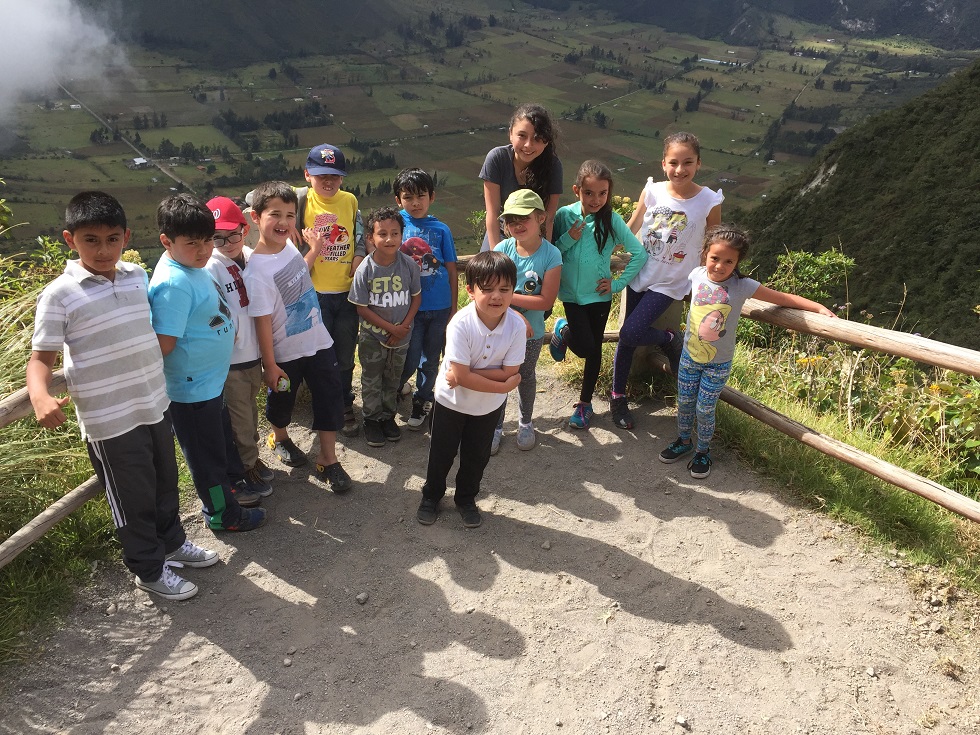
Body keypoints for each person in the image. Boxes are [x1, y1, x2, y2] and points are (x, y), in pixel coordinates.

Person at [27, 191, 218, 601]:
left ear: (126, 237)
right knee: (133, 498)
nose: (103, 250)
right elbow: (41, 358)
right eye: (91, 240)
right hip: (109, 419)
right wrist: (40, 395)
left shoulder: (135, 275)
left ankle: (172, 544)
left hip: (154, 402)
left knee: (165, 482)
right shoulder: (60, 294)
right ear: (70, 239)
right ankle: (148, 569)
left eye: (112, 239)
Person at [659, 225, 836, 478]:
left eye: (728, 261)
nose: (720, 266)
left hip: (718, 363)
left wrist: (817, 307)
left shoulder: (742, 285)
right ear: (705, 254)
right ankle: (684, 441)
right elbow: (670, 274)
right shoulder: (696, 274)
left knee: (705, 409)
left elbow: (781, 298)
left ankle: (703, 451)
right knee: (685, 403)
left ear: (738, 262)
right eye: (715, 258)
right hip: (689, 357)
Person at [148, 193, 268, 533]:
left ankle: (230, 492)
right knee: (206, 459)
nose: (203, 250)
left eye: (206, 240)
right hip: (192, 392)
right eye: (192, 243)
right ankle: (221, 515)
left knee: (219, 447)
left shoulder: (191, 267)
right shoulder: (173, 284)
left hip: (209, 384)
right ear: (167, 241)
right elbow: (164, 344)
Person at [243, 181, 354, 494]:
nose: (284, 222)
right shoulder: (256, 272)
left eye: (290, 215)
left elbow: (297, 276)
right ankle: (279, 436)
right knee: (282, 401)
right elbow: (262, 321)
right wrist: (269, 365)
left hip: (318, 341)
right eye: (275, 215)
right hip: (285, 352)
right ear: (256, 217)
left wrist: (314, 250)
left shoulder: (290, 247)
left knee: (330, 396)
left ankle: (327, 459)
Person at [609, 132, 724, 430]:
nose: (680, 169)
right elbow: (633, 224)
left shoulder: (709, 200)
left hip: (671, 282)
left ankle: (669, 338)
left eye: (688, 162)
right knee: (627, 338)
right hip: (639, 272)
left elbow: (714, 244)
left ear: (699, 163)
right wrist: (607, 250)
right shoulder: (653, 191)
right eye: (673, 162)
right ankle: (617, 396)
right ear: (663, 164)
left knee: (630, 333)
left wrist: (714, 277)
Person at [416, 252, 525, 529]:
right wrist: (502, 385)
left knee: (477, 457)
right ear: (470, 290)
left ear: (513, 290)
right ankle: (431, 496)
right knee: (441, 454)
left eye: (504, 289)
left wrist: (466, 375)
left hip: (487, 407)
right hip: (450, 402)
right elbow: (501, 376)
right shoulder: (460, 324)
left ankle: (466, 499)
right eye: (487, 289)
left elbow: (509, 371)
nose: (496, 296)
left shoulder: (516, 326)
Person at [549, 160, 648, 429]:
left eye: (602, 193)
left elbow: (639, 254)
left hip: (600, 296)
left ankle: (584, 404)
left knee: (594, 351)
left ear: (609, 192)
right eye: (589, 193)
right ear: (576, 190)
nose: (596, 200)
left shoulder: (612, 220)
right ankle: (564, 331)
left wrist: (617, 284)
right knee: (584, 347)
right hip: (571, 295)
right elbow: (552, 252)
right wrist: (569, 237)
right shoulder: (564, 215)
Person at [205, 196, 275, 491]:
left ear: (244, 229)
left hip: (254, 351)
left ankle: (251, 457)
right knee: (240, 417)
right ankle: (246, 466)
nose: (227, 243)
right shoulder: (210, 266)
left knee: (250, 408)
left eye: (232, 234)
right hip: (231, 358)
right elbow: (213, 311)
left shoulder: (249, 255)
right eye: (217, 238)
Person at [299, 143, 366, 437]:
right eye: (321, 175)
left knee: (346, 352)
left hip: (347, 293)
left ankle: (344, 402)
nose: (328, 182)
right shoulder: (300, 201)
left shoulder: (349, 201)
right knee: (320, 355)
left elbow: (359, 233)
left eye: (335, 176)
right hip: (314, 294)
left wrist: (359, 255)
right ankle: (325, 403)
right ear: (307, 175)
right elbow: (259, 200)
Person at [491, 189, 562, 453]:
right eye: (511, 220)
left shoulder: (551, 255)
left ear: (541, 218)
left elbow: (546, 301)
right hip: (500, 329)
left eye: (524, 218)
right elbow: (491, 295)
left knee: (526, 376)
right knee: (499, 378)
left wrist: (506, 300)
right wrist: (517, 314)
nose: (517, 225)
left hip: (531, 333)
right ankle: (495, 426)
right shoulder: (502, 249)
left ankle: (526, 422)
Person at [348, 206, 422, 448]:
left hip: (402, 337)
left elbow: (416, 298)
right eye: (382, 234)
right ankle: (371, 419)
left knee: (393, 378)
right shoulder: (365, 269)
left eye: (395, 233)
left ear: (402, 234)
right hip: (372, 337)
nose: (389, 239)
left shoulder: (409, 265)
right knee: (371, 379)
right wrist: (392, 328)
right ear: (371, 237)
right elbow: (361, 308)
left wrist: (404, 327)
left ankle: (388, 417)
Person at [392, 168, 458, 430]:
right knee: (409, 357)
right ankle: (394, 389)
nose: (415, 203)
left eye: (421, 196)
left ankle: (422, 399)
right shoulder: (395, 226)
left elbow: (451, 270)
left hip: (440, 306)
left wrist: (453, 308)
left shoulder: (441, 230)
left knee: (430, 359)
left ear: (432, 196)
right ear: (398, 200)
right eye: (408, 197)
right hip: (409, 308)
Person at [480, 103, 562, 252]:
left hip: (536, 239)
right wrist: (496, 256)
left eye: (537, 138)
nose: (528, 145)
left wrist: (543, 254)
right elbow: (492, 214)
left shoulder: (553, 166)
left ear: (547, 141)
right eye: (522, 136)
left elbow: (548, 218)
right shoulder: (497, 159)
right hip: (502, 233)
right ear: (510, 134)